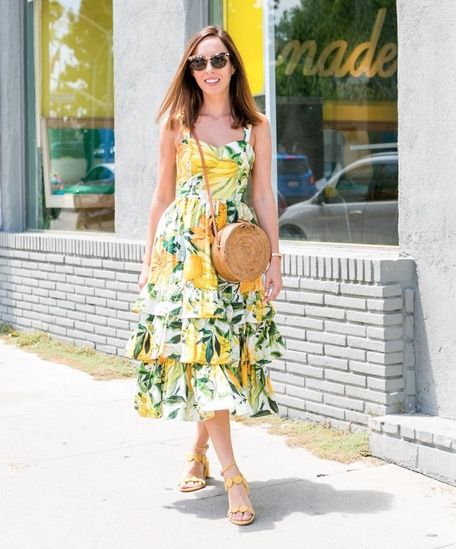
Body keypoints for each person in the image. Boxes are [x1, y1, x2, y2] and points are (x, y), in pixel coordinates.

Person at [124, 25, 286, 527]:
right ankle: (234, 475)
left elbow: (262, 196)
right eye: (198, 63)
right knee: (205, 355)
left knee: (223, 355)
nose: (209, 70)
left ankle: (199, 449)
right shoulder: (177, 121)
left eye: (218, 60)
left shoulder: (254, 123)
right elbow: (162, 195)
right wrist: (148, 260)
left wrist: (274, 258)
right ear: (189, 70)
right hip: (183, 255)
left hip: (234, 254)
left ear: (233, 65)